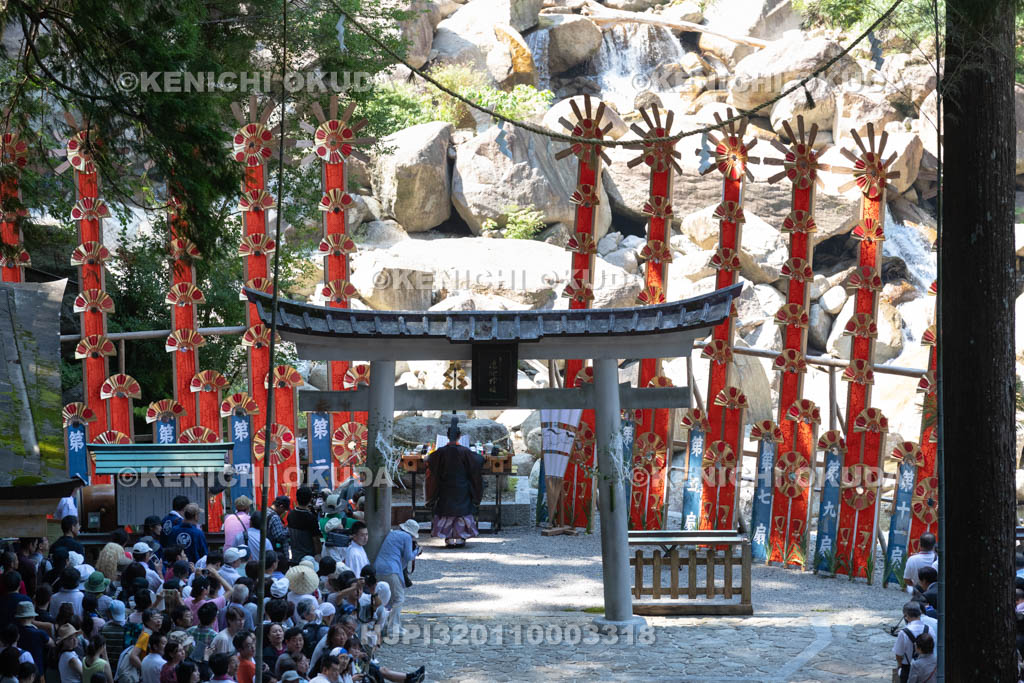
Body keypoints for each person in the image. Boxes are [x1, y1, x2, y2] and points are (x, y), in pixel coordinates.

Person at [425, 418, 483, 548]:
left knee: (447, 511)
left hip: (445, 487)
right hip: (461, 487)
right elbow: (478, 460)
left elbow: (429, 459)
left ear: (447, 436)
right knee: (461, 512)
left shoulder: (440, 452)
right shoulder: (465, 451)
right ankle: (461, 537)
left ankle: (449, 538)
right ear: (459, 436)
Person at [372, 520, 418, 637]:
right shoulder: (407, 537)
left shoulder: (393, 533)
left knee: (387, 598)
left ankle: (386, 624)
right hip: (391, 569)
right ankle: (393, 627)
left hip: (379, 567)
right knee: (398, 598)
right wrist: (417, 551)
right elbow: (408, 556)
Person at [893, 601, 930, 683]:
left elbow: (898, 654)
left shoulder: (903, 633)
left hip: (908, 668)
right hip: (927, 667)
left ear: (906, 616)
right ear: (920, 613)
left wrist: (900, 665)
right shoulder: (929, 629)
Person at [12, 602, 49, 673]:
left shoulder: (14, 631)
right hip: (37, 672)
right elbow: (52, 644)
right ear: (32, 616)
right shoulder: (40, 633)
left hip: (18, 671)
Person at [288, 488, 321, 561]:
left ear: (296, 498)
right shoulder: (311, 517)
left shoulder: (290, 515)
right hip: (308, 557)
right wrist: (318, 555)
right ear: (310, 499)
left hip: (295, 555)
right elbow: (316, 539)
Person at [100, 600, 126, 666]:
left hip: (108, 663)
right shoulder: (128, 628)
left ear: (110, 613)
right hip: (123, 664)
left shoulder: (104, 628)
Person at [268, 498, 292, 564]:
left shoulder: (266, 511)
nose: (284, 512)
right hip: (277, 553)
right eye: (284, 510)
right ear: (281, 507)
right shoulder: (275, 517)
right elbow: (279, 536)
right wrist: (289, 530)